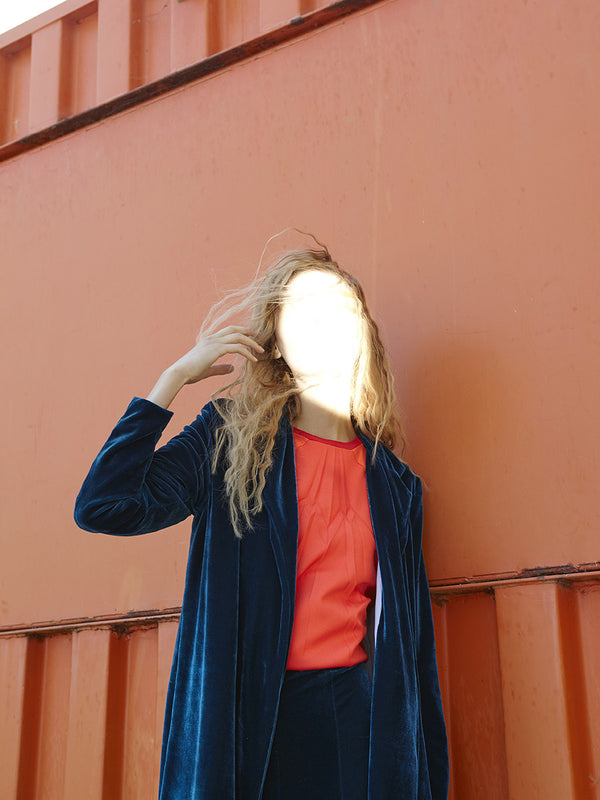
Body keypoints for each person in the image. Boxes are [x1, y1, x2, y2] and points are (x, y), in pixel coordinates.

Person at [74, 234, 450, 800]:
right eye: (302, 311)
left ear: (362, 334)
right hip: (242, 721)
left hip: (349, 718)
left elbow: (414, 656)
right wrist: (173, 377)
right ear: (274, 342)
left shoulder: (396, 487)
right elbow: (105, 505)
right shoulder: (230, 440)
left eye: (339, 308)